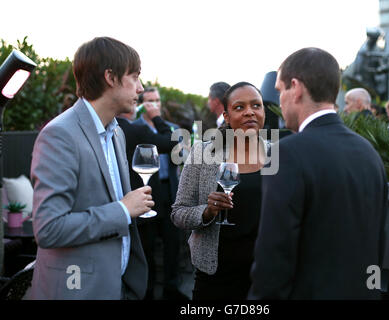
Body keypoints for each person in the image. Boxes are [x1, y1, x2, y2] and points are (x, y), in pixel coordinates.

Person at [248, 48, 388, 299]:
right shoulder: (369, 152)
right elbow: (377, 241)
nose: (279, 101)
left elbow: (274, 255)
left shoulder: (286, 154)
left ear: (296, 87)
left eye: (280, 91)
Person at [29, 37, 154, 300]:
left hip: (119, 285)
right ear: (110, 77)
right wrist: (122, 209)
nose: (140, 88)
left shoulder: (116, 132)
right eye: (134, 76)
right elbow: (49, 229)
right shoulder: (59, 135)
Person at [171, 82, 270, 300]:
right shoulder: (204, 154)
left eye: (256, 105)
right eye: (239, 107)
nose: (249, 112)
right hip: (215, 277)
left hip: (266, 276)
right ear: (225, 116)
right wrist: (207, 212)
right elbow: (178, 213)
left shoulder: (278, 155)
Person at [133, 87, 187, 300]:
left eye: (157, 101)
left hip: (169, 190)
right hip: (147, 191)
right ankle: (146, 290)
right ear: (141, 104)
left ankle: (171, 288)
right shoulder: (135, 128)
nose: (154, 105)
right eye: (149, 101)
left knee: (172, 242)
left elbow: (182, 159)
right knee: (147, 244)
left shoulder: (172, 129)